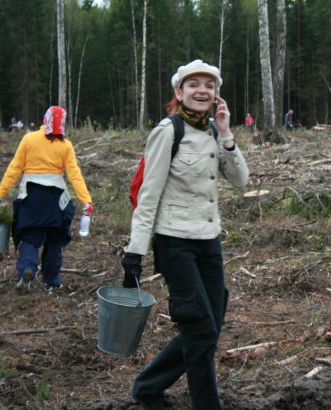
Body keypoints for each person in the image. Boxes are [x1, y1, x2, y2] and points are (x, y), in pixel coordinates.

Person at [121, 59, 249, 410]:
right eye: (193, 85)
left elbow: (240, 180)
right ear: (180, 93)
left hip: (209, 241)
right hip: (174, 242)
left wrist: (225, 133)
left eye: (209, 85)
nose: (202, 90)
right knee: (201, 328)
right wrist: (136, 251)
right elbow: (149, 194)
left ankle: (148, 386)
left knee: (209, 326)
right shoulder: (168, 131)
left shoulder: (211, 133)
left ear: (216, 96)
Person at [0, 106, 93, 291]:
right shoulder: (65, 145)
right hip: (56, 202)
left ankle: (27, 269)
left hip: (32, 198)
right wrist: (86, 200)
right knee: (54, 242)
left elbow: (14, 168)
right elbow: (74, 175)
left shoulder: (29, 139)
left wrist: (0, 194)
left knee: (30, 239)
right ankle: (52, 282)